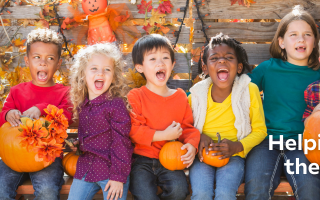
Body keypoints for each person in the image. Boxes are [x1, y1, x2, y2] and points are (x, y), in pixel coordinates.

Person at [245, 6, 320, 200]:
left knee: (311, 187)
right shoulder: (268, 68)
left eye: (307, 34)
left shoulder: (318, 74)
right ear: (282, 42)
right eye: (293, 34)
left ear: (314, 41)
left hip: (303, 144)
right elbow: (241, 92)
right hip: (266, 141)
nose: (301, 39)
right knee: (256, 188)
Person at [188, 33, 267, 200]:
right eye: (214, 58)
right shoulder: (195, 96)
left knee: (225, 194)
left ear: (239, 67)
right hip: (202, 157)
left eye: (229, 57)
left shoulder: (249, 90)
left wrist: (238, 146)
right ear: (205, 68)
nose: (221, 61)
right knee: (201, 194)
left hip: (234, 156)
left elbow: (260, 130)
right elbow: (185, 128)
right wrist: (198, 136)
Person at [0, 28, 73, 200]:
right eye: (37, 57)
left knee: (47, 192)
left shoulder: (63, 92)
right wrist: (8, 113)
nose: (43, 63)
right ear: (27, 61)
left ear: (58, 63)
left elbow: (67, 117)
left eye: (50, 58)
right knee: (1, 189)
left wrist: (42, 108)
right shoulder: (17, 91)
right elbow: (2, 116)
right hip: (13, 155)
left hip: (48, 156)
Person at [128, 34, 200, 200]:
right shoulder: (136, 96)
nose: (160, 63)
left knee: (179, 190)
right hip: (141, 160)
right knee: (143, 193)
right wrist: (163, 135)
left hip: (171, 160)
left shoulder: (180, 97)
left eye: (165, 58)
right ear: (140, 67)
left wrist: (191, 145)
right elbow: (133, 130)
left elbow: (187, 128)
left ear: (172, 64)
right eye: (152, 59)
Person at [67, 43, 133, 200]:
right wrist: (79, 142)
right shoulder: (83, 103)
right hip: (86, 168)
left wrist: (118, 177)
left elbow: (121, 142)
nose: (101, 73)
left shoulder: (115, 104)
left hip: (112, 171)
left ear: (114, 77)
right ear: (83, 74)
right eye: (94, 68)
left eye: (107, 69)